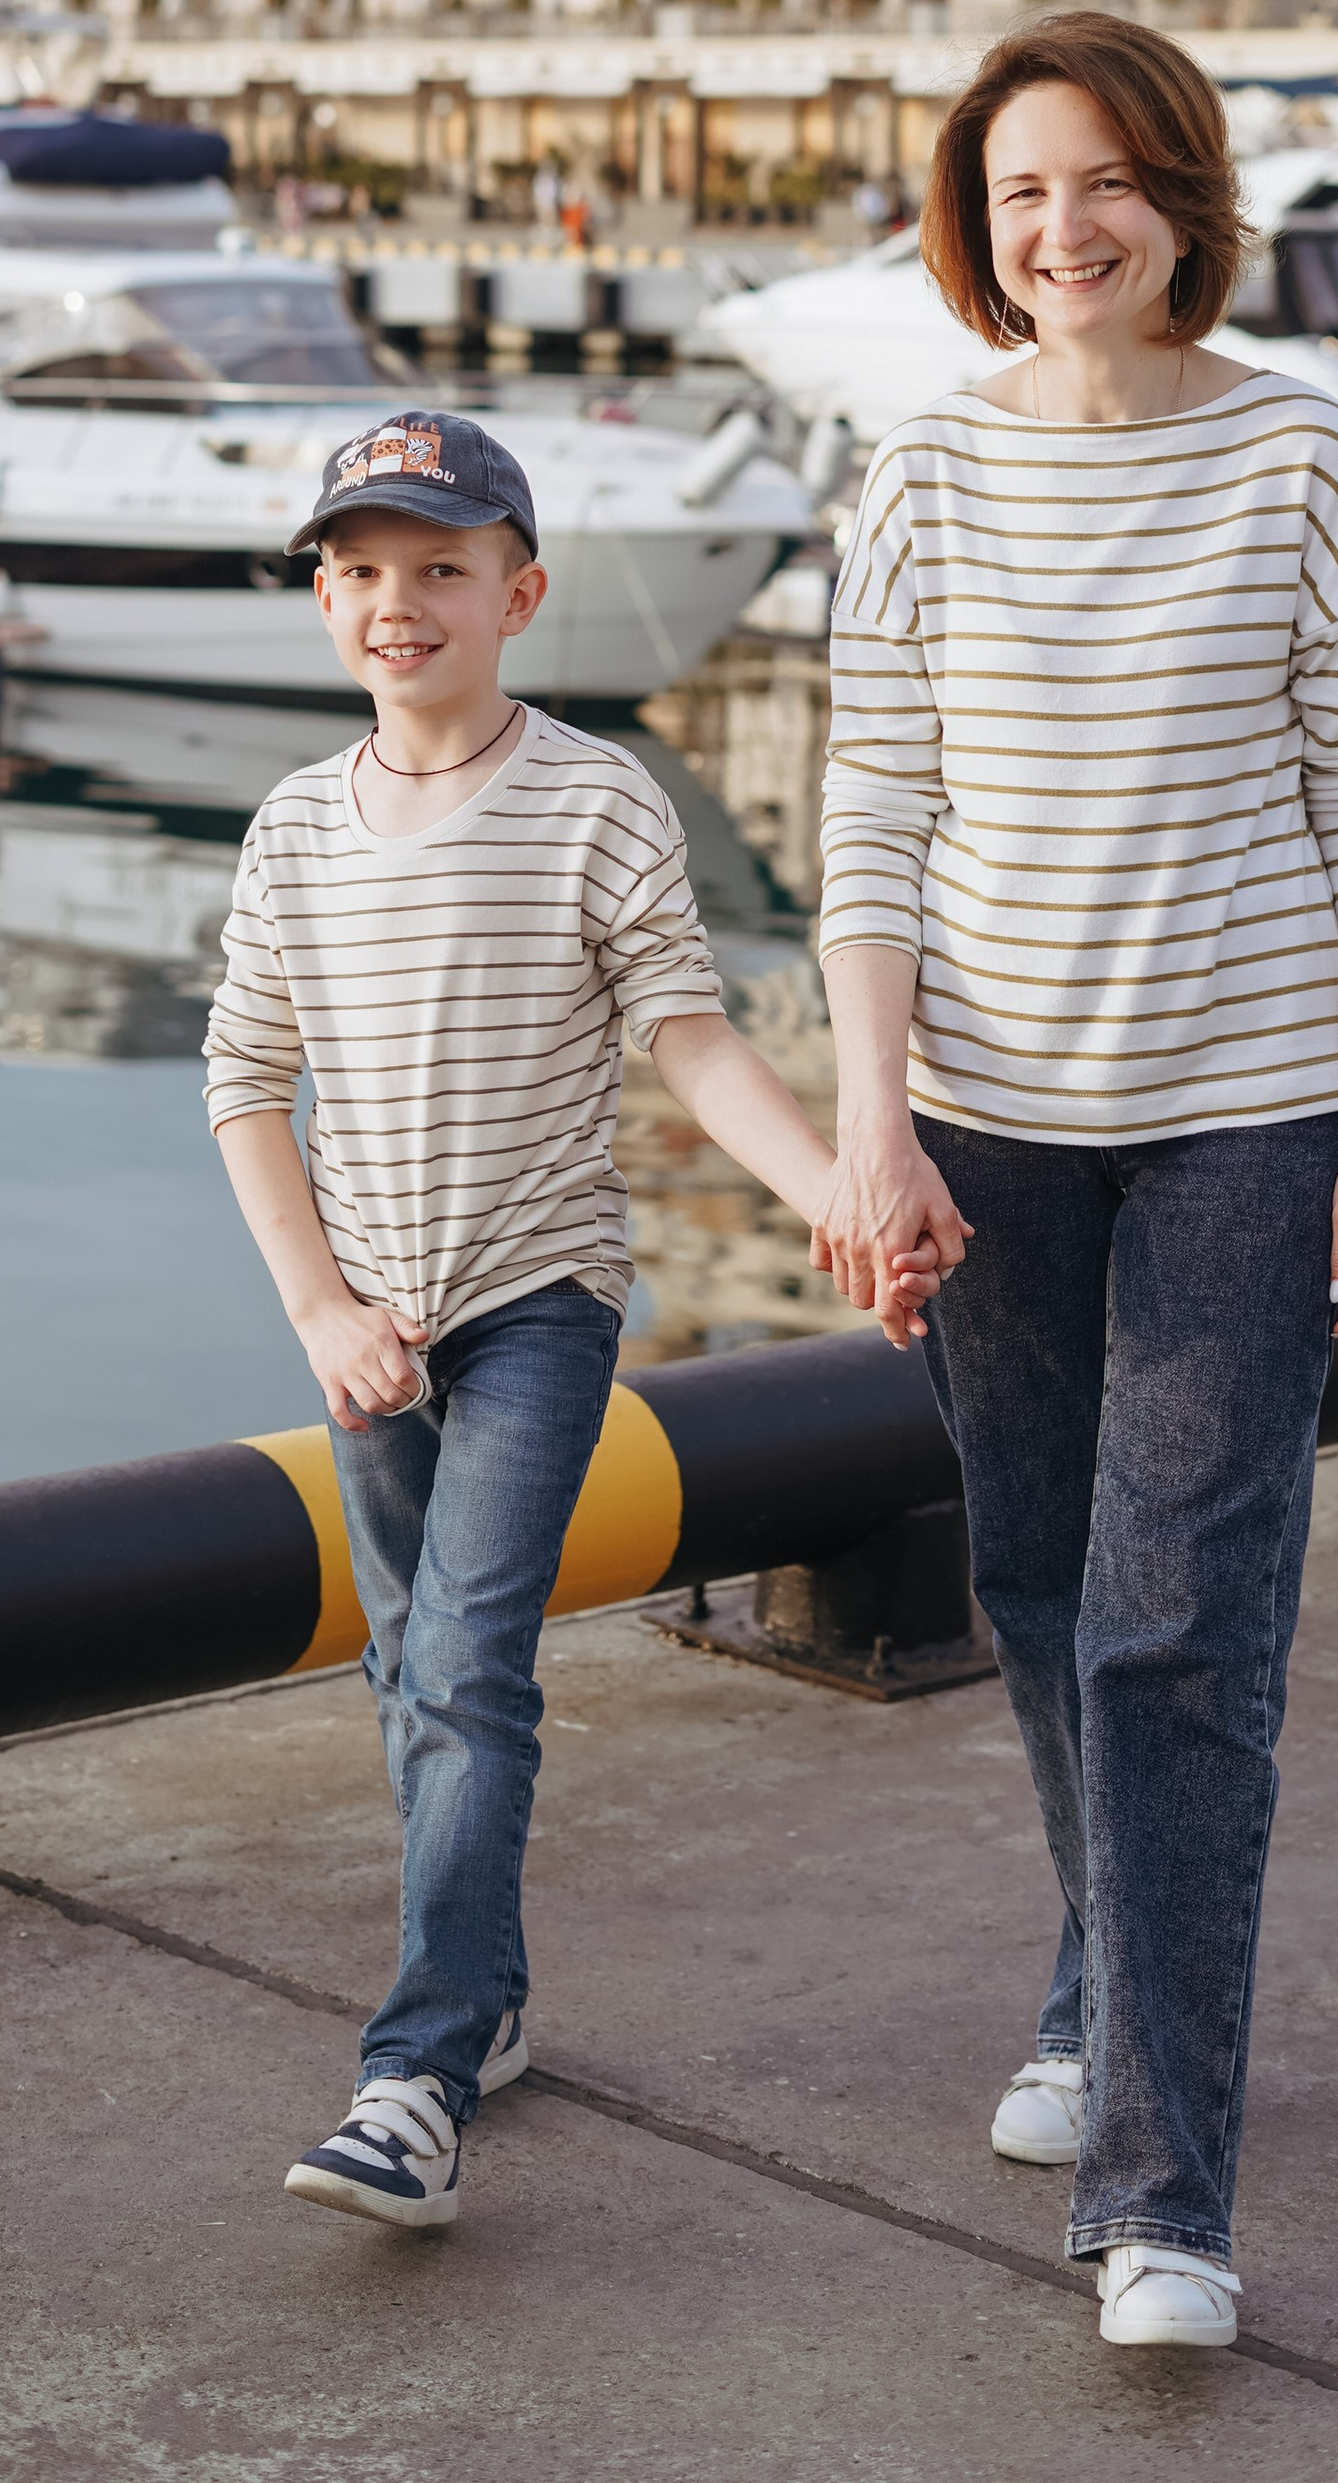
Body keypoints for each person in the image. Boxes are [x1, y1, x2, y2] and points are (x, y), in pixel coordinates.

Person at [813, 14, 1338, 2354]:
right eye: (1011, 202)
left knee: (1179, 1626)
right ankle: (1095, 1967)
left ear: (1180, 199)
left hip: (1248, 1119)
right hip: (979, 1125)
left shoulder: (1294, 448)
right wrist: (868, 1120)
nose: (1057, 234)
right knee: (1037, 1580)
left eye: (1098, 187)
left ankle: (1164, 2202)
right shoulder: (922, 472)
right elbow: (868, 819)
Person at [205, 408, 868, 2232]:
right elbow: (245, 1086)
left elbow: (690, 1036)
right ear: (325, 603)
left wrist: (829, 1195)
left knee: (470, 1662)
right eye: (358, 572)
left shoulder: (594, 796)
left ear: (521, 591)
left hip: (536, 1305)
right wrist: (322, 1307)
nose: (396, 603)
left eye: (439, 569)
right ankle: (484, 1996)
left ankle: (412, 2076)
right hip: (369, 1326)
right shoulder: (291, 828)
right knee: (406, 1663)